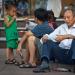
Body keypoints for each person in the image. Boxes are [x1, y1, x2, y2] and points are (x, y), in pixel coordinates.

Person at [33, 7, 75, 73]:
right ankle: (45, 64)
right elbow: (51, 35)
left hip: (72, 55)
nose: (66, 20)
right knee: (48, 40)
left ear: (74, 17)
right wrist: (45, 37)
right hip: (61, 54)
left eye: (68, 17)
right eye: (64, 18)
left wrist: (66, 36)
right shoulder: (62, 27)